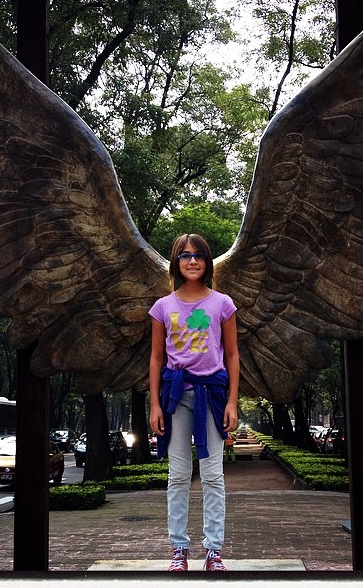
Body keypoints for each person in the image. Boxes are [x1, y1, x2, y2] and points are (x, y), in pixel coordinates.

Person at [149, 233, 240, 572]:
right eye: (185, 255)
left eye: (198, 255)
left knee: (214, 475)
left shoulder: (223, 304)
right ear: (176, 262)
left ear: (207, 262)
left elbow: (232, 355)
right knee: (179, 475)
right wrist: (155, 406)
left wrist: (232, 402)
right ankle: (179, 549)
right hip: (175, 397)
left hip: (213, 396)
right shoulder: (163, 307)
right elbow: (156, 359)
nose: (192, 261)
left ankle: (214, 551)